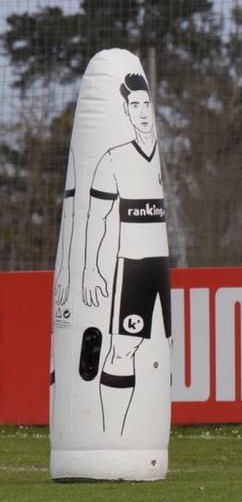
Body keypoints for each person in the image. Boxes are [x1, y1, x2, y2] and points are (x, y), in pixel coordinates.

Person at [81, 71, 172, 436]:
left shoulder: (162, 159)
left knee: (164, 351)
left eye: (146, 104)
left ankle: (149, 440)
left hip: (161, 267)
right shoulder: (113, 159)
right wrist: (90, 269)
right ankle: (111, 439)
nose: (142, 111)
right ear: (126, 110)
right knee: (123, 349)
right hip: (132, 267)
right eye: (134, 105)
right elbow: (96, 218)